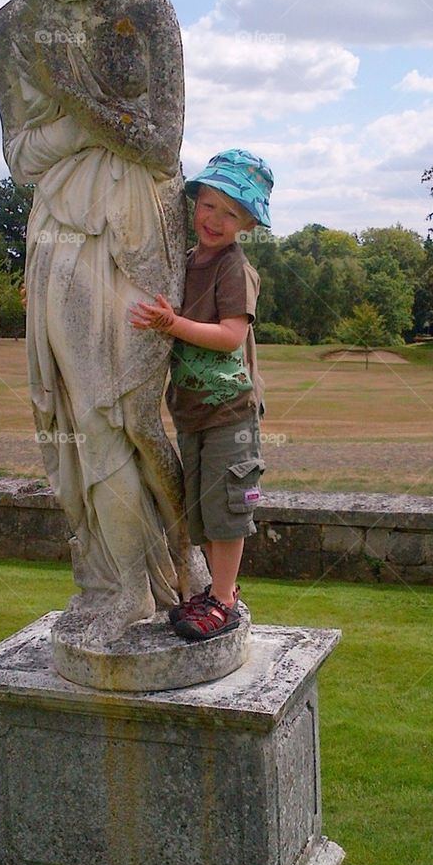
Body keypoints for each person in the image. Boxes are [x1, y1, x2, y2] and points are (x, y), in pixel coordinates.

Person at [0, 0, 200, 648]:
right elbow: (18, 158)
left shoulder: (140, 7)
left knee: (141, 416)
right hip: (65, 239)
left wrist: (75, 105)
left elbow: (164, 143)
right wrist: (87, 127)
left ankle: (188, 573)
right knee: (89, 420)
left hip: (142, 228)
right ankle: (119, 586)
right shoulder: (9, 29)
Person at [130, 149, 273, 641]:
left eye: (230, 212)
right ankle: (214, 591)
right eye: (208, 205)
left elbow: (231, 334)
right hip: (190, 414)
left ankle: (225, 599)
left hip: (230, 413)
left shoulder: (234, 268)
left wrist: (173, 324)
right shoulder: (183, 263)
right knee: (201, 514)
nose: (215, 219)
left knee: (228, 510)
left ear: (248, 223)